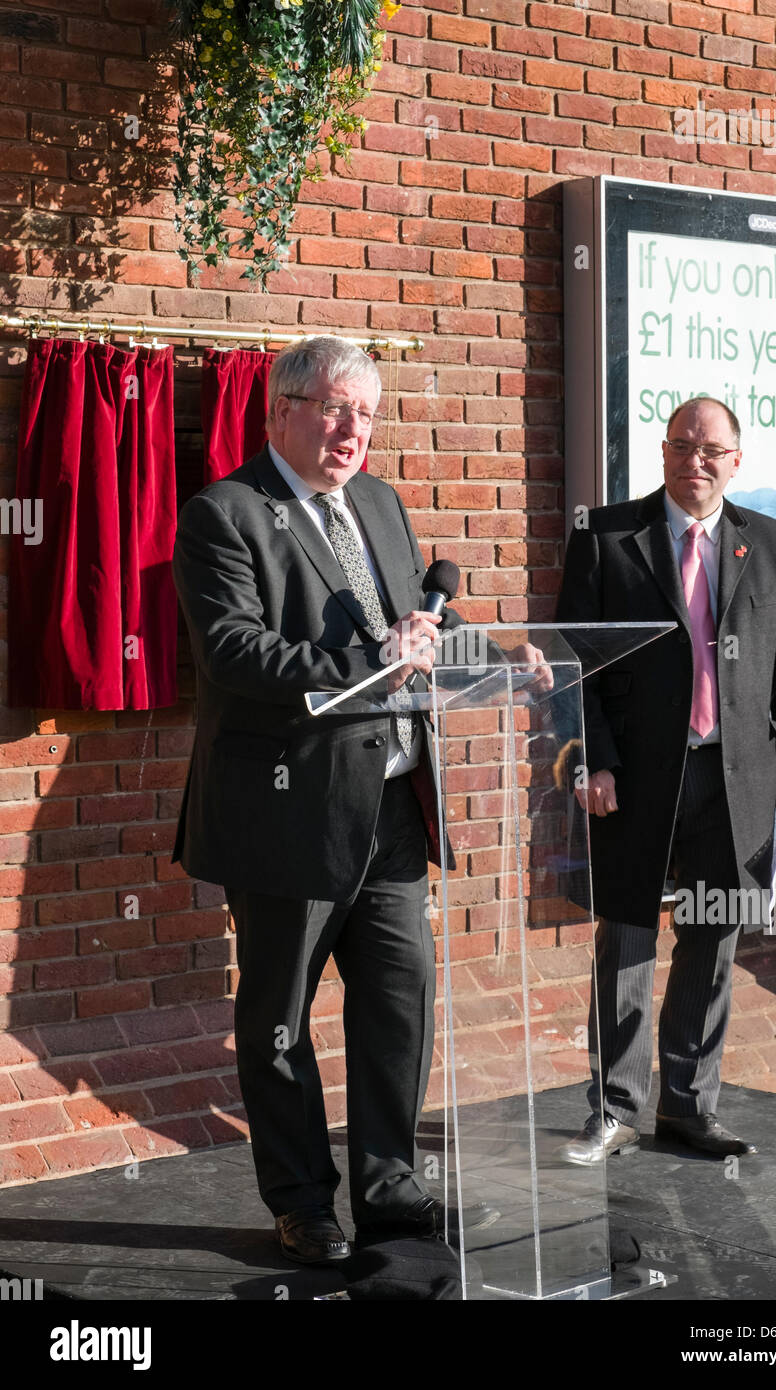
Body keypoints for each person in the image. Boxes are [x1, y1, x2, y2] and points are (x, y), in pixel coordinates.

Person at [172, 337, 481, 1263]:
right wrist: (372, 663)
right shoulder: (226, 514)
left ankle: (391, 1189)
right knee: (279, 1018)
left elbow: (414, 625)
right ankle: (303, 1201)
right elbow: (234, 650)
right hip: (289, 812)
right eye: (336, 409)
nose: (353, 431)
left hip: (391, 810)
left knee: (399, 1000)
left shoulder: (379, 502)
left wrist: (487, 654)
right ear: (281, 409)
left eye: (367, 415)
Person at [555, 397, 776, 1163]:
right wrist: (594, 757)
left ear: (735, 461)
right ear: (663, 452)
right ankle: (615, 1108)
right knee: (628, 935)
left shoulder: (771, 543)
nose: (693, 461)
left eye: (709, 450)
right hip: (634, 779)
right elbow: (574, 659)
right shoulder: (607, 537)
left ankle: (689, 1107)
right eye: (680, 445)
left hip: (735, 777)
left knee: (712, 937)